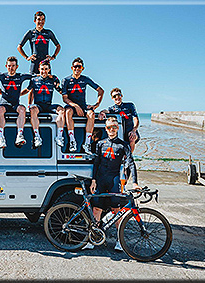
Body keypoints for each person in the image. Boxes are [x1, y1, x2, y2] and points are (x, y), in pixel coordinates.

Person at [86, 117, 141, 251]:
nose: (112, 129)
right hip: (100, 180)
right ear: (106, 128)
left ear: (117, 128)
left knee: (117, 211)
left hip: (114, 180)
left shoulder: (123, 145)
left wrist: (135, 182)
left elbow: (130, 164)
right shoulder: (100, 144)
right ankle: (93, 239)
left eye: (114, 127)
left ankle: (119, 241)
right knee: (96, 210)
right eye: (109, 127)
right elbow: (96, 163)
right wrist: (93, 180)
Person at [0, 56, 32, 149]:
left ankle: (19, 135)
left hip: (15, 104)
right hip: (4, 103)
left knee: (22, 109)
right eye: (9, 66)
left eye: (13, 66)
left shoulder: (21, 76)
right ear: (6, 66)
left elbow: (34, 76)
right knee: (0, 109)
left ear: (17, 66)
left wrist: (26, 90)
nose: (11, 68)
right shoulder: (2, 76)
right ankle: (1, 137)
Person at [62, 57, 104, 154]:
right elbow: (64, 98)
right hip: (71, 105)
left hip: (83, 105)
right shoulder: (66, 80)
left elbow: (101, 91)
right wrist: (75, 106)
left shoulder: (85, 79)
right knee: (68, 112)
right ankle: (72, 140)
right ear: (72, 68)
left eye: (79, 67)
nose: (77, 68)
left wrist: (96, 105)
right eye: (75, 66)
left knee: (92, 115)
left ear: (82, 68)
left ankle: (87, 143)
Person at [25, 60, 65, 148]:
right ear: (39, 69)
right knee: (33, 110)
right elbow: (29, 91)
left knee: (62, 110)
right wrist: (27, 102)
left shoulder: (53, 78)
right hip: (38, 105)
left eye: (46, 69)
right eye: (42, 69)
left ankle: (59, 136)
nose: (44, 71)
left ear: (49, 70)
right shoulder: (34, 79)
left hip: (49, 105)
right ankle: (37, 136)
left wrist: (58, 87)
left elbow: (61, 91)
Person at [17, 11, 61, 75]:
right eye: (39, 19)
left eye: (43, 19)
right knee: (33, 82)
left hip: (46, 62)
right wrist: (27, 57)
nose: (41, 22)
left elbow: (58, 46)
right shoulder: (30, 33)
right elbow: (19, 47)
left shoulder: (48, 32)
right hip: (34, 62)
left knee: (48, 83)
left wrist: (53, 56)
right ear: (35, 21)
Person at [99, 88, 140, 153]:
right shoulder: (112, 108)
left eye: (118, 95)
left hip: (130, 131)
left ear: (121, 95)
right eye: (114, 96)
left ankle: (129, 157)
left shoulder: (130, 105)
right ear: (112, 98)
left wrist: (134, 130)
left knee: (132, 138)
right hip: (120, 132)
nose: (117, 97)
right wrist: (102, 112)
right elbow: (107, 111)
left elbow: (135, 118)